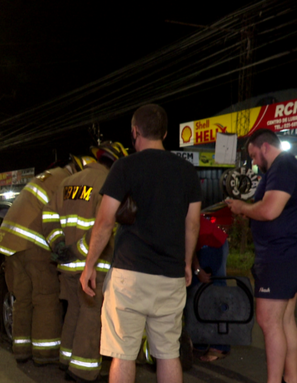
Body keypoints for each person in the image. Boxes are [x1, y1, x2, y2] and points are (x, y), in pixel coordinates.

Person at [80, 104, 202, 383]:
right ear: (166, 133)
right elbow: (192, 224)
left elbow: (104, 221)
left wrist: (89, 267)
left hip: (129, 277)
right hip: (170, 277)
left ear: (135, 132)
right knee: (169, 353)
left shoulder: (125, 167)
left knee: (122, 355)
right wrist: (186, 263)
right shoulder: (186, 171)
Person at [225, 128, 297, 383]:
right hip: (289, 252)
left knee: (268, 320)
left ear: (264, 147)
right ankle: (290, 379)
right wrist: (247, 210)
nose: (253, 162)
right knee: (284, 320)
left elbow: (270, 210)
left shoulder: (282, 167)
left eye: (253, 155)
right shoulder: (285, 167)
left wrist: (242, 207)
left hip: (280, 254)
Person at [0, 156, 93, 365]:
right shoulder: (67, 183)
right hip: (33, 245)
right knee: (46, 297)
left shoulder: (50, 176)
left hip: (10, 243)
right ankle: (44, 354)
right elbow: (61, 219)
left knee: (23, 299)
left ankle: (21, 350)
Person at [41, 142, 127, 382]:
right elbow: (106, 227)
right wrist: (80, 252)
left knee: (74, 311)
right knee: (91, 314)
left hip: (66, 264)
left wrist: (59, 246)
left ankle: (66, 360)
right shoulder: (109, 184)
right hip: (93, 265)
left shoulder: (68, 182)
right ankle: (82, 369)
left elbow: (48, 215)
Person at [190, 217, 231, 362]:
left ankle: (219, 345)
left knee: (214, 293)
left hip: (210, 242)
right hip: (208, 239)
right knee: (197, 294)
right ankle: (200, 342)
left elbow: (189, 239)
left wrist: (197, 269)